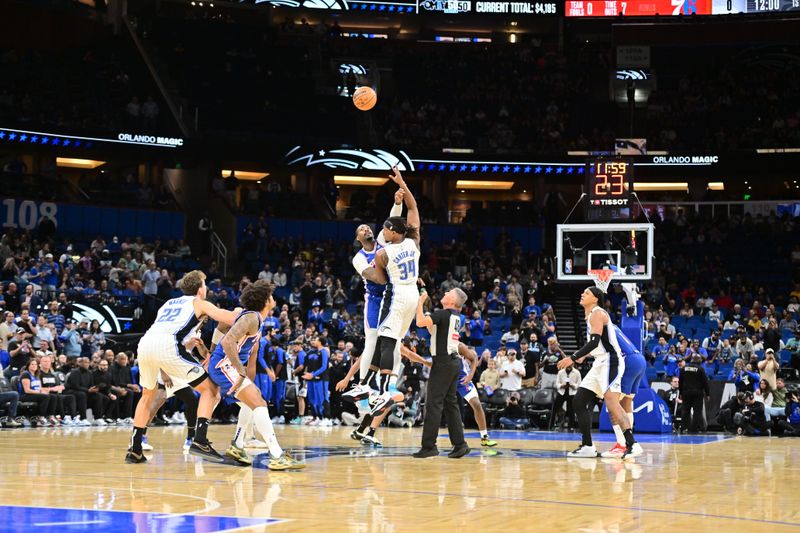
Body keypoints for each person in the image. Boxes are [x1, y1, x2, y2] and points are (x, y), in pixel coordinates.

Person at [126, 270, 238, 464]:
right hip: (169, 345)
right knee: (211, 390)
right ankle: (200, 441)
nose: (206, 288)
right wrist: (241, 313)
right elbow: (227, 319)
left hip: (146, 343)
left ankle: (135, 449)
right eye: (204, 284)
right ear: (200, 288)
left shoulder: (169, 303)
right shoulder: (199, 303)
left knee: (147, 396)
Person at [207, 280, 304, 470]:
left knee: (253, 402)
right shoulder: (251, 317)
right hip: (224, 365)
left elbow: (223, 329)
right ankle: (276, 455)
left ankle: (237, 445)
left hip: (226, 365)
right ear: (266, 299)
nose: (273, 298)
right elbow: (227, 342)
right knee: (259, 404)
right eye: (271, 296)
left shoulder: (255, 320)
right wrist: (237, 367)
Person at [358, 167, 421, 416]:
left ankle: (377, 388)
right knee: (379, 341)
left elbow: (378, 277)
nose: (369, 229)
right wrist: (403, 187)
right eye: (361, 228)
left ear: (391, 233)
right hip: (402, 294)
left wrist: (399, 195)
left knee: (384, 341)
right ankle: (370, 388)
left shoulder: (385, 250)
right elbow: (410, 212)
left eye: (382, 229)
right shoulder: (411, 241)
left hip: (390, 294)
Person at [557, 286, 635, 459]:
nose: (582, 294)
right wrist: (584, 356)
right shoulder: (590, 316)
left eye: (586, 293)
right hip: (600, 362)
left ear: (595, 299)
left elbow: (595, 342)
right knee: (578, 401)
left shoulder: (598, 313)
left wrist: (574, 357)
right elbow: (596, 346)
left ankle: (631, 443)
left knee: (612, 403)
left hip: (610, 361)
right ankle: (587, 446)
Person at [411, 288, 470, 459]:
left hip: (443, 362)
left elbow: (420, 322)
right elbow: (433, 329)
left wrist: (420, 302)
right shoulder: (454, 317)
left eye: (448, 292)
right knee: (450, 404)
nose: (444, 293)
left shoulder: (443, 314)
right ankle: (460, 445)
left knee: (433, 404)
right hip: (453, 363)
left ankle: (429, 446)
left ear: (452, 300)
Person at [455, 342, 497, 447]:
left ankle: (484, 437)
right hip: (447, 378)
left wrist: (470, 375)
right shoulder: (439, 344)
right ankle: (432, 440)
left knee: (477, 404)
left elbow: (473, 357)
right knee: (438, 407)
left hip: (461, 378)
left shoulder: (459, 346)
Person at [18, 358, 57, 426]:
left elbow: (39, 388)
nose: (34, 366)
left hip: (35, 395)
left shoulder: (37, 375)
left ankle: (51, 417)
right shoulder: (25, 375)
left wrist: (45, 391)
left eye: (35, 364)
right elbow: (27, 390)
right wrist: (40, 392)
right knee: (45, 397)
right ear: (28, 366)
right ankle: (40, 418)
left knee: (53, 396)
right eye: (32, 364)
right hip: (25, 396)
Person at [678, 354, 710, 433]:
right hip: (697, 393)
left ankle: (683, 428)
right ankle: (694, 429)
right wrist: (707, 394)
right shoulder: (700, 369)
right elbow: (705, 382)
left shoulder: (684, 368)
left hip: (686, 393)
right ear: (699, 360)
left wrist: (680, 393)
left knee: (685, 410)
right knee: (697, 411)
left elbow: (680, 382)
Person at [554, 365, 580, 430]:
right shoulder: (560, 372)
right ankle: (552, 424)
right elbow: (557, 383)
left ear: (572, 365)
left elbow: (579, 383)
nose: (568, 366)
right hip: (562, 392)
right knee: (555, 407)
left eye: (570, 365)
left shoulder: (577, 372)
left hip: (571, 392)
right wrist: (561, 386)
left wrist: (574, 386)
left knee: (571, 410)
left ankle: (571, 426)